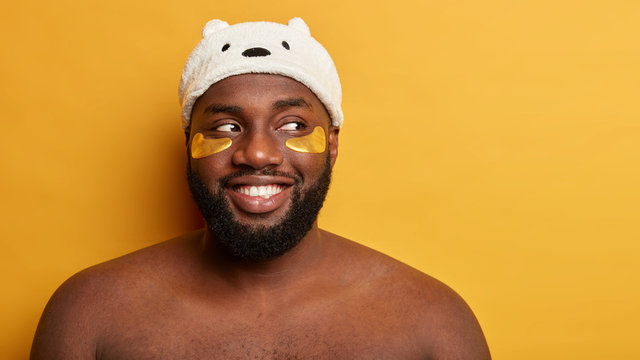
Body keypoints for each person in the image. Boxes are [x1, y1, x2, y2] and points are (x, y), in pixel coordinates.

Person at [31, 18, 491, 359]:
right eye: (227, 126)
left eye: (292, 124)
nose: (257, 153)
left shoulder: (433, 324)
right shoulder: (90, 314)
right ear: (189, 143)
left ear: (331, 146)